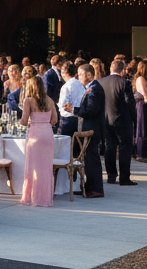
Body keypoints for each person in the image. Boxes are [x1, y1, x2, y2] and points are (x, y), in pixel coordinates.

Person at [19, 76, 58, 207]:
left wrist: (22, 120)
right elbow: (54, 120)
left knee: (33, 167)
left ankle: (31, 197)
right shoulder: (50, 100)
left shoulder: (28, 101)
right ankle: (45, 198)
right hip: (47, 134)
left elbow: (24, 121)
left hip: (34, 135)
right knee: (46, 168)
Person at [98, 59, 138, 186]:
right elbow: (130, 102)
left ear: (111, 69)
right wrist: (135, 119)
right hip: (123, 120)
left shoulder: (100, 82)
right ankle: (124, 177)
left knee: (109, 147)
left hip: (106, 120)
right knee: (124, 148)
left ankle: (111, 175)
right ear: (123, 70)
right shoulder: (125, 83)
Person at [73, 64, 106, 198]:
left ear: (88, 75)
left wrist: (74, 110)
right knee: (89, 157)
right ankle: (89, 186)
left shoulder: (94, 89)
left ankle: (95, 188)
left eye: (80, 74)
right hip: (91, 127)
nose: (79, 77)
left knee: (92, 157)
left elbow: (91, 110)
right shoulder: (91, 88)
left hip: (92, 128)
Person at [132, 60, 147, 162]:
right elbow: (146, 95)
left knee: (143, 128)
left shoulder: (142, 79)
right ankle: (141, 153)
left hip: (143, 106)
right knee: (142, 129)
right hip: (142, 106)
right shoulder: (141, 79)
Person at [56, 62, 82, 137]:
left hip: (67, 120)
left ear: (65, 71)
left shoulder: (66, 86)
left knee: (63, 145)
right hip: (78, 119)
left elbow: (63, 105)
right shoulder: (80, 84)